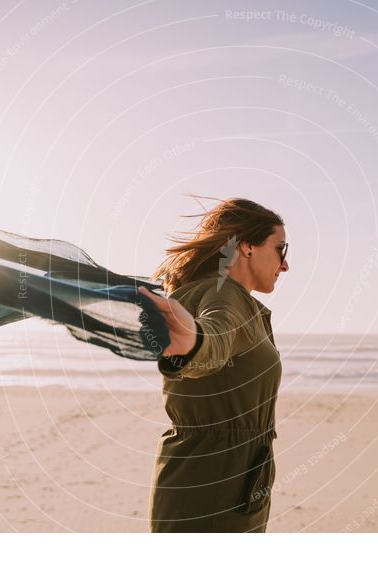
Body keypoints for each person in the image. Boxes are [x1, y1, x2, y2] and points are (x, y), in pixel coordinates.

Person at [137, 197, 289, 532]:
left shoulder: (221, 295)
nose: (285, 265)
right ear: (247, 247)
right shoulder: (226, 295)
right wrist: (192, 345)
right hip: (214, 486)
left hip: (230, 481)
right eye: (281, 249)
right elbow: (216, 336)